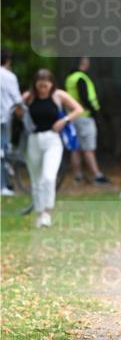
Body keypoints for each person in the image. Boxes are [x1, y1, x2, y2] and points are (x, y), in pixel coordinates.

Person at [21, 69, 83, 227]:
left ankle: (48, 211)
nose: (43, 89)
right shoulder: (29, 96)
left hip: (52, 139)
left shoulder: (58, 95)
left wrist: (65, 120)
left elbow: (78, 109)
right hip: (34, 139)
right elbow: (17, 109)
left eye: (45, 86)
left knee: (48, 177)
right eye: (40, 86)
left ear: (51, 84)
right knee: (36, 180)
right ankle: (40, 213)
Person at [64, 57, 110, 184]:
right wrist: (94, 112)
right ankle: (97, 175)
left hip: (73, 116)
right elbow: (84, 97)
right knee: (89, 147)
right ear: (84, 64)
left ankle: (77, 176)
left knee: (76, 148)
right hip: (84, 116)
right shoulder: (81, 78)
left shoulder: (70, 78)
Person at [1, 49, 22, 196]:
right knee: (3, 152)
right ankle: (3, 186)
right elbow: (17, 99)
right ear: (7, 60)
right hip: (4, 118)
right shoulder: (9, 76)